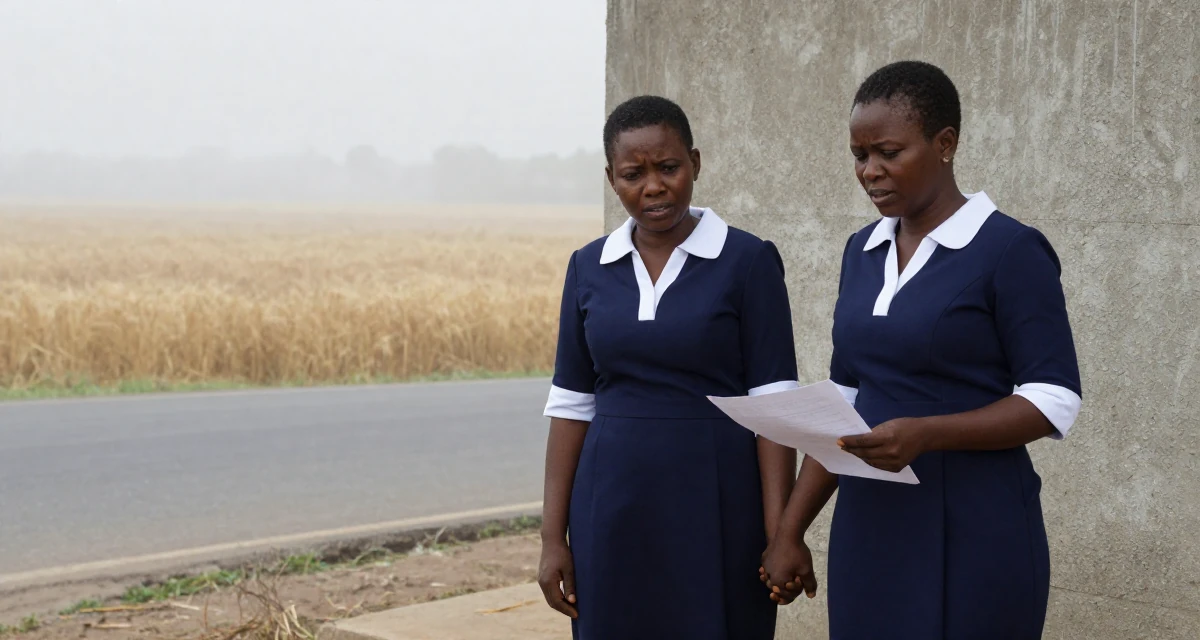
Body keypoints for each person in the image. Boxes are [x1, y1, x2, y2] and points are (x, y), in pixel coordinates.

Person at [760, 60, 1083, 639]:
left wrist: (927, 433)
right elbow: (847, 396)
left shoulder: (1009, 250)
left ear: (945, 144)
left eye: (888, 152)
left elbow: (1053, 399)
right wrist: (790, 530)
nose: (870, 171)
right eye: (860, 155)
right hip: (871, 525)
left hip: (977, 525)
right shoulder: (862, 251)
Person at [537, 95, 799, 640]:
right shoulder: (588, 266)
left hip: (718, 504)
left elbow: (774, 405)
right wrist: (552, 537)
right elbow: (571, 403)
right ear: (612, 179)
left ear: (695, 164)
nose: (652, 186)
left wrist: (780, 532)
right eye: (634, 174)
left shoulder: (748, 261)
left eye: (668, 167)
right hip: (610, 503)